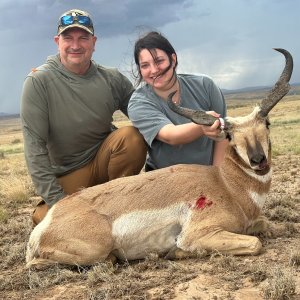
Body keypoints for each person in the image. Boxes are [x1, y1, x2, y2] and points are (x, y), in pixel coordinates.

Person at [20, 9, 147, 225]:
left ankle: (118, 209)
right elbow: (35, 150)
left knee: (132, 137)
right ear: (57, 41)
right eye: (68, 38)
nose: (76, 45)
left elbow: (146, 116)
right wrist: (59, 204)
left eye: (83, 38)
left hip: (104, 164)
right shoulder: (38, 82)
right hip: (69, 174)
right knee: (46, 221)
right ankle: (88, 210)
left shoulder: (111, 78)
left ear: (94, 42)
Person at [128, 31, 228, 172]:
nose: (154, 70)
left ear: (173, 59)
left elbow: (223, 134)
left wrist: (217, 175)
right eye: (145, 65)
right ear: (139, 69)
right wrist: (202, 125)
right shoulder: (139, 102)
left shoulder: (206, 85)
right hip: (166, 177)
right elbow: (171, 136)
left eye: (159, 61)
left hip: (208, 173)